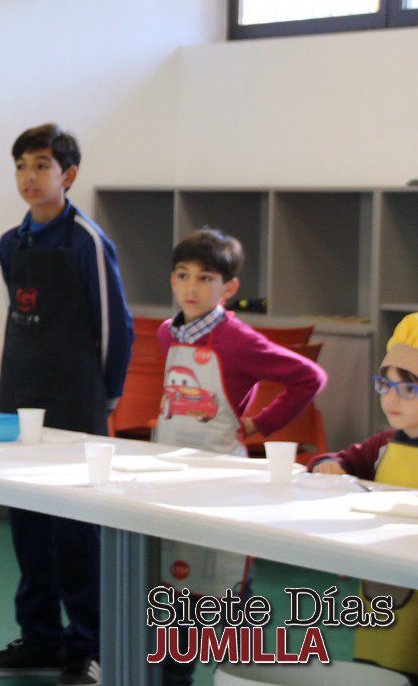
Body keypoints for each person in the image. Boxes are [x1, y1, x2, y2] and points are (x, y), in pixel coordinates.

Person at [0, 123, 132, 685]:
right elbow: (24, 318)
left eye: (41, 165)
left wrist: (107, 392)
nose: (29, 177)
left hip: (76, 399)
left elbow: (114, 323)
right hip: (20, 396)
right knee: (26, 521)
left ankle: (87, 644)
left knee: (74, 529)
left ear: (67, 175)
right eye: (20, 165)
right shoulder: (9, 243)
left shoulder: (86, 240)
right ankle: (39, 637)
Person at [152, 228, 326, 685]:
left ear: (228, 288)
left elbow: (308, 378)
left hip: (222, 481)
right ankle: (175, 675)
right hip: (170, 478)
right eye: (182, 275)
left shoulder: (238, 340)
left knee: (224, 582)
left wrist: (259, 424)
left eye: (205, 278)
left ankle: (249, 674)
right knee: (175, 588)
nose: (191, 287)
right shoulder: (167, 335)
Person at [310, 313, 418, 681]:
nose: (392, 398)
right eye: (385, 385)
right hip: (378, 580)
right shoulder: (384, 443)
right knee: (378, 662)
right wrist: (327, 463)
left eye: (408, 388)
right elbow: (339, 458)